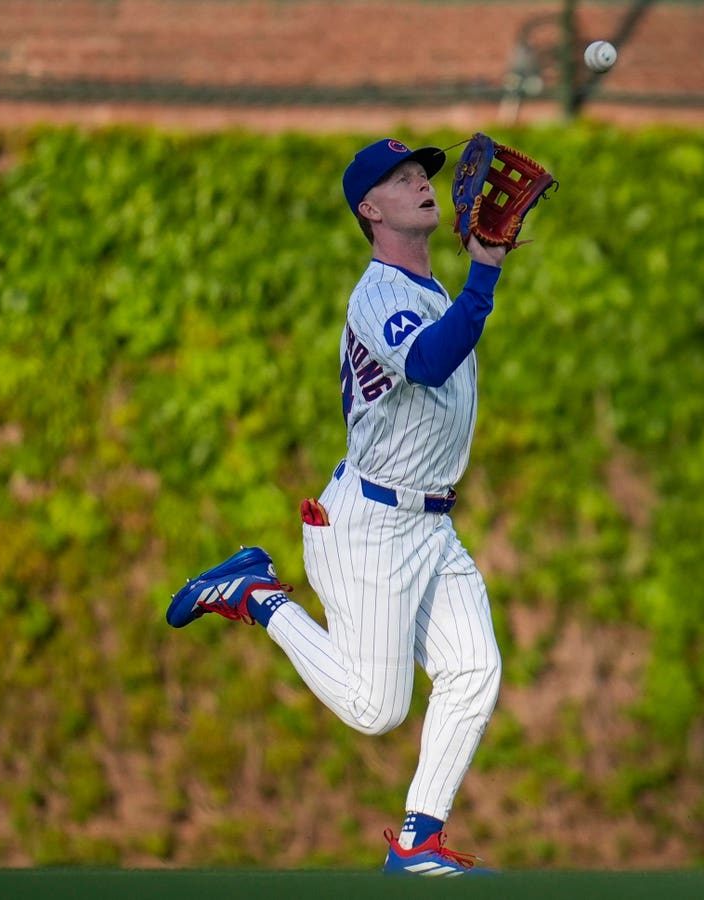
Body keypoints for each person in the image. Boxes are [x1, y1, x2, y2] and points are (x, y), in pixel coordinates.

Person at [168, 137, 511, 876]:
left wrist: (474, 279)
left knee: (475, 667)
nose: (423, 183)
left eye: (424, 173)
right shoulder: (379, 293)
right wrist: (485, 273)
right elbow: (427, 360)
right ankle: (255, 595)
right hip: (372, 526)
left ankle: (418, 841)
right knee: (374, 709)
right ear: (370, 208)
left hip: (429, 523)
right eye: (402, 178)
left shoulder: (430, 294)